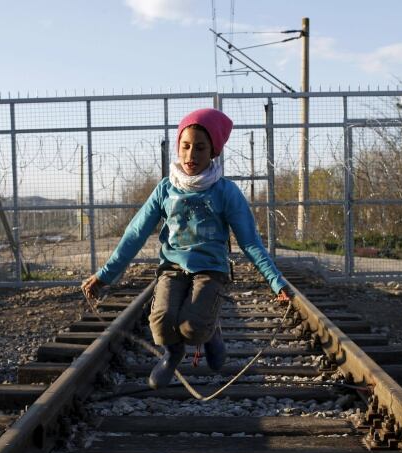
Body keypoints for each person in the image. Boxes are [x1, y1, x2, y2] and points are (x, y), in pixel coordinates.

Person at [82, 108, 291, 389]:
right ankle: (172, 355)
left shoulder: (225, 192)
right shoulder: (166, 189)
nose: (191, 155)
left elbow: (249, 241)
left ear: (213, 151)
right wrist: (105, 275)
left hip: (211, 269)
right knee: (161, 320)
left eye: (200, 148)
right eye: (186, 146)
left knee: (193, 327)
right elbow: (135, 233)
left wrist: (276, 282)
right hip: (172, 266)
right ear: (178, 146)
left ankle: (211, 332)